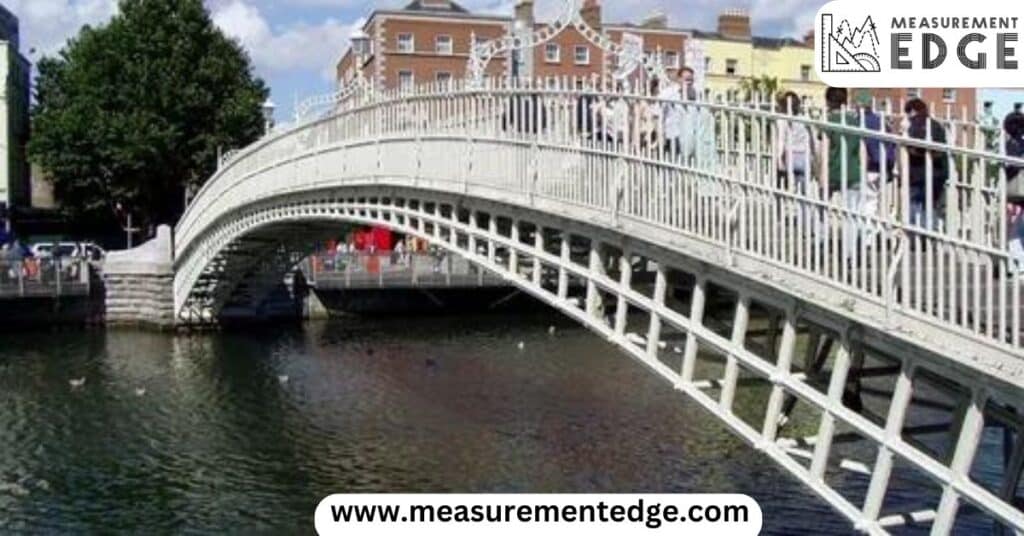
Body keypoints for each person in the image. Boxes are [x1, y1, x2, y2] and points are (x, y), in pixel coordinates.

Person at [904, 98, 949, 229]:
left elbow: (917, 146)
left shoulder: (916, 125)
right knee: (931, 206)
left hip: (920, 175)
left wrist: (910, 147)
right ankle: (934, 231)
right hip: (938, 174)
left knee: (918, 207)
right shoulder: (935, 125)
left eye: (908, 112)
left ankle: (925, 235)